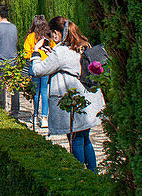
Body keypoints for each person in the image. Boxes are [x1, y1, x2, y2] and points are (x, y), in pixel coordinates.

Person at [30, 16, 105, 170]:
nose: (51, 37)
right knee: (85, 138)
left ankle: (80, 175)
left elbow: (38, 70)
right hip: (87, 99)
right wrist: (53, 53)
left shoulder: (61, 52)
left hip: (73, 101)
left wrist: (36, 53)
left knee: (75, 139)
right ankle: (92, 172)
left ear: (57, 33)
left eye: (51, 34)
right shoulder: (83, 44)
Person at [24, 14, 54, 128]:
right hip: (46, 66)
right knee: (44, 92)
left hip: (34, 65)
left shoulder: (30, 37)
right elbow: (53, 49)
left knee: (35, 92)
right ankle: (44, 117)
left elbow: (26, 53)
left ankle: (35, 115)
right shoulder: (48, 38)